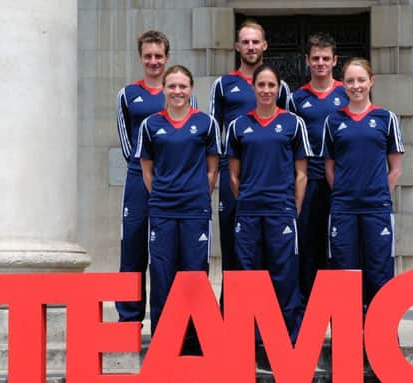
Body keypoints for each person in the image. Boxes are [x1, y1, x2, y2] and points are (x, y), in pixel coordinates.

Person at [115, 31, 197, 324]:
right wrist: (146, 168)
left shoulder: (178, 90)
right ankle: (130, 317)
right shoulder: (127, 94)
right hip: (139, 179)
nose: (153, 61)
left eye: (158, 56)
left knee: (169, 253)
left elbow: (190, 135)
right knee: (133, 247)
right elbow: (127, 143)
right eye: (148, 56)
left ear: (167, 57)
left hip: (175, 184)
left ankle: (174, 320)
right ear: (141, 58)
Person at [225, 64, 310, 342]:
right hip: (249, 210)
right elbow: (234, 176)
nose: (266, 90)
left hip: (281, 210)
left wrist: (292, 207)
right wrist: (248, 199)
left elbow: (301, 174)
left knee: (284, 274)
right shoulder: (239, 126)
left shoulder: (293, 123)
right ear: (254, 88)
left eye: (271, 85)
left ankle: (288, 335)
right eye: (261, 85)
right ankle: (252, 335)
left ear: (278, 89)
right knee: (249, 275)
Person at [136, 65, 220, 335]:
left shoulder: (206, 123)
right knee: (162, 273)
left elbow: (212, 169)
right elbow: (147, 171)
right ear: (163, 89)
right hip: (162, 210)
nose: (177, 91)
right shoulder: (151, 125)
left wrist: (196, 194)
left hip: (195, 211)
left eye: (182, 86)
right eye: (172, 86)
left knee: (194, 274)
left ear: (191, 89)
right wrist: (164, 193)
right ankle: (164, 335)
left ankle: (194, 338)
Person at [209, 20, 290, 292]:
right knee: (236, 245)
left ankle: (271, 313)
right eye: (246, 42)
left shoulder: (281, 87)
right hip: (234, 176)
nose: (251, 46)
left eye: (256, 41)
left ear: (265, 45)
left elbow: (289, 132)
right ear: (237, 46)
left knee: (274, 248)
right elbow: (211, 132)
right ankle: (232, 311)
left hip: (271, 181)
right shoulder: (223, 85)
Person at [323, 58, 404, 309]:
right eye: (350, 80)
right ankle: (349, 338)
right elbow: (329, 168)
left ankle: (380, 338)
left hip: (376, 208)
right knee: (344, 271)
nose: (355, 85)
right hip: (344, 208)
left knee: (379, 271)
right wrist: (347, 192)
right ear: (343, 84)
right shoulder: (333, 121)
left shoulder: (386, 118)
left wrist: (376, 193)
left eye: (360, 80)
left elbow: (396, 169)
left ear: (371, 81)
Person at [289, 33, 348, 302]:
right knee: (308, 246)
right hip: (309, 181)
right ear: (307, 61)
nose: (321, 63)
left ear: (335, 60)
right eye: (316, 58)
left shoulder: (347, 93)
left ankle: (340, 311)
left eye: (326, 58)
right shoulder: (296, 98)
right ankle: (308, 312)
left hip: (340, 182)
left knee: (339, 247)